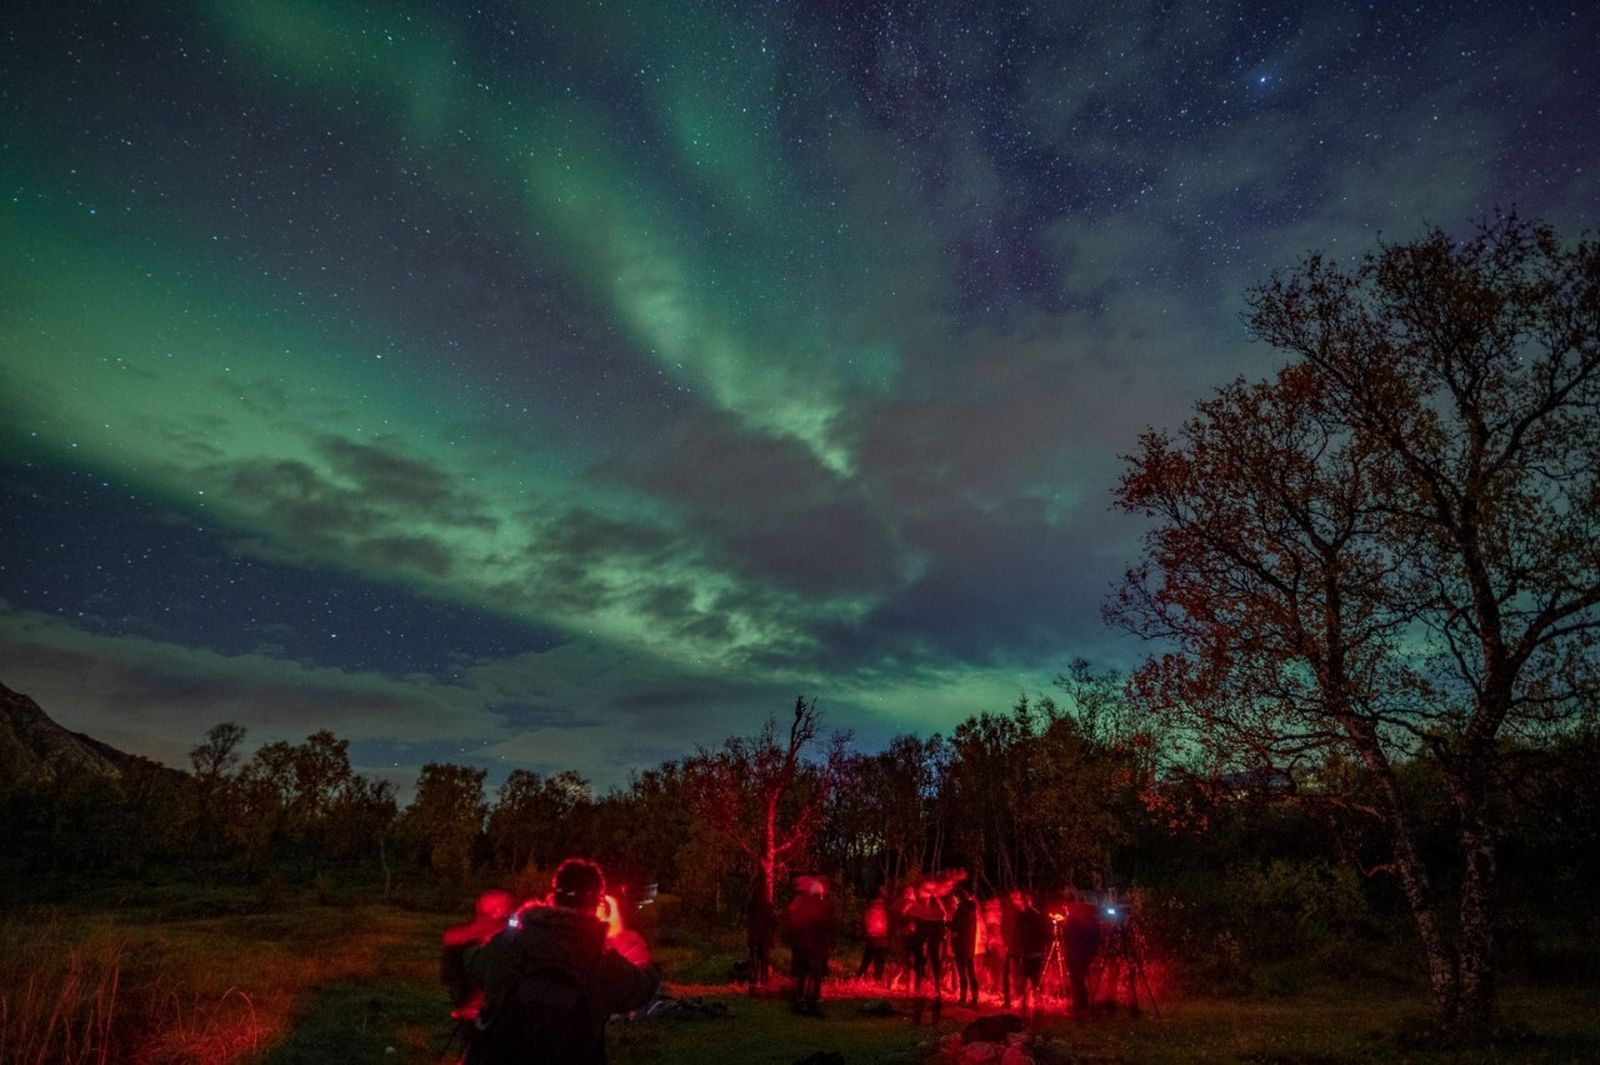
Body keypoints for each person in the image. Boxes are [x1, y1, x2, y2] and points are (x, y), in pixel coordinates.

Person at [465, 858, 659, 1065]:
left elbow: (472, 961)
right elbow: (643, 986)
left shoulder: (511, 944)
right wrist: (622, 936)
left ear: (551, 898)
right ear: (598, 904)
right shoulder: (601, 959)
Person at [442, 890, 516, 1051]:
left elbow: (447, 976)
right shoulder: (501, 935)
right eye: (508, 907)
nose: (511, 911)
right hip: (486, 1005)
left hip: (461, 999)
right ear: (498, 910)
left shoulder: (455, 934)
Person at [785, 874, 835, 1015]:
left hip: (801, 945)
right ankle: (813, 1001)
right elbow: (827, 926)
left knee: (802, 974)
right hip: (815, 946)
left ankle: (801, 1000)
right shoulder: (822, 906)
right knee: (815, 975)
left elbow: (793, 923)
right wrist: (830, 941)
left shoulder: (800, 903)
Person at [1011, 892, 1053, 1017]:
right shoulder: (1036, 916)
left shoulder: (1023, 917)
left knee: (1027, 977)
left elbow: (1018, 935)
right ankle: (1035, 1002)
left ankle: (1028, 1002)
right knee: (1034, 978)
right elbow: (1045, 934)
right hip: (1034, 952)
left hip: (1028, 952)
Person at [1064, 891, 1104, 1015]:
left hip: (1076, 953)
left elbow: (1070, 937)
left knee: (1077, 979)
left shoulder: (1073, 919)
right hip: (1086, 953)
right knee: (1084, 978)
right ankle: (1088, 1004)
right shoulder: (1090, 917)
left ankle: (1080, 1006)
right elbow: (1096, 936)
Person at [950, 887, 980, 1007]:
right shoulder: (972, 910)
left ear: (958, 897)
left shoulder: (961, 910)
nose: (954, 900)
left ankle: (963, 999)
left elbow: (956, 926)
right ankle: (974, 1000)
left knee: (962, 973)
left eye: (954, 898)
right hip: (970, 945)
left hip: (961, 945)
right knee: (971, 972)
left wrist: (946, 923)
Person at [856, 884, 892, 986]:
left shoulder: (870, 905)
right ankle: (877, 979)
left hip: (871, 935)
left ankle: (860, 975)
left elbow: (864, 919)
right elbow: (889, 921)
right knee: (879, 960)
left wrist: (865, 931)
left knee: (867, 958)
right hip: (882, 937)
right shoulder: (886, 906)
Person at [746, 880, 777, 988]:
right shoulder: (767, 905)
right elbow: (773, 921)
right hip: (764, 937)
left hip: (754, 936)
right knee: (764, 959)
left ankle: (753, 980)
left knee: (754, 959)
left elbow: (748, 920)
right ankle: (764, 981)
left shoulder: (751, 905)